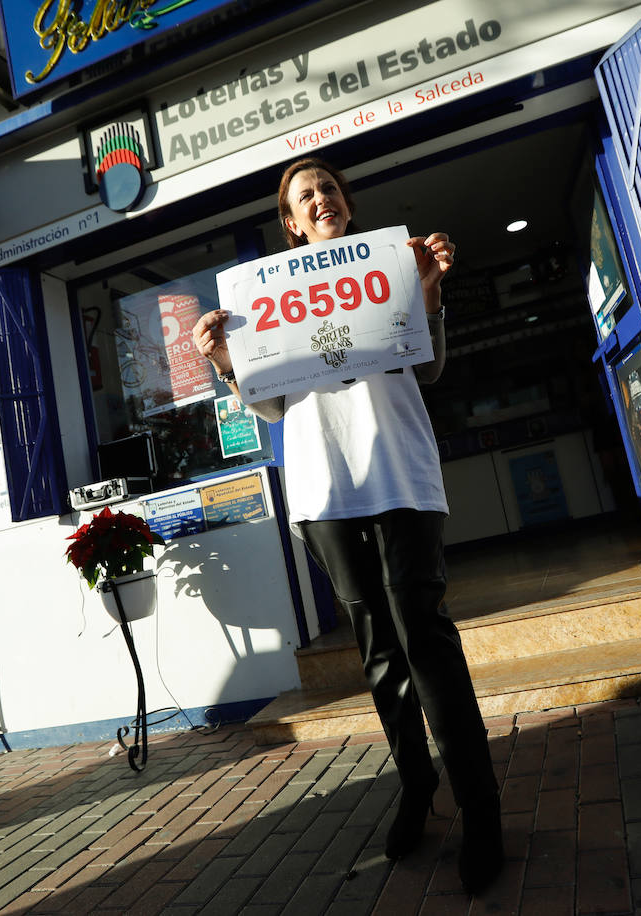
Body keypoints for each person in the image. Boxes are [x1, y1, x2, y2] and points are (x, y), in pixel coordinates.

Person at [192, 158, 504, 892]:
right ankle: (417, 786)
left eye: (329, 189)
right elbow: (269, 406)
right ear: (292, 225)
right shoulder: (262, 300)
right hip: (325, 490)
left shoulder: (393, 268)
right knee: (380, 655)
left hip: (399, 475)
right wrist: (225, 361)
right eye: (306, 197)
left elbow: (425, 371)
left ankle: (481, 807)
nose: (321, 199)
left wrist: (429, 289)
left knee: (426, 640)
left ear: (347, 205)